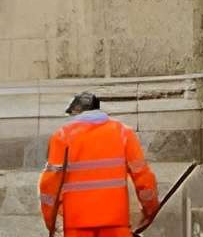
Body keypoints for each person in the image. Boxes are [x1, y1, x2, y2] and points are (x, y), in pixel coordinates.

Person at [40, 91, 160, 237]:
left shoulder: (62, 136)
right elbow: (143, 178)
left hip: (76, 225)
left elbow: (49, 184)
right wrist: (150, 211)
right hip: (116, 224)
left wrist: (51, 221)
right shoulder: (123, 133)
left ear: (77, 112)